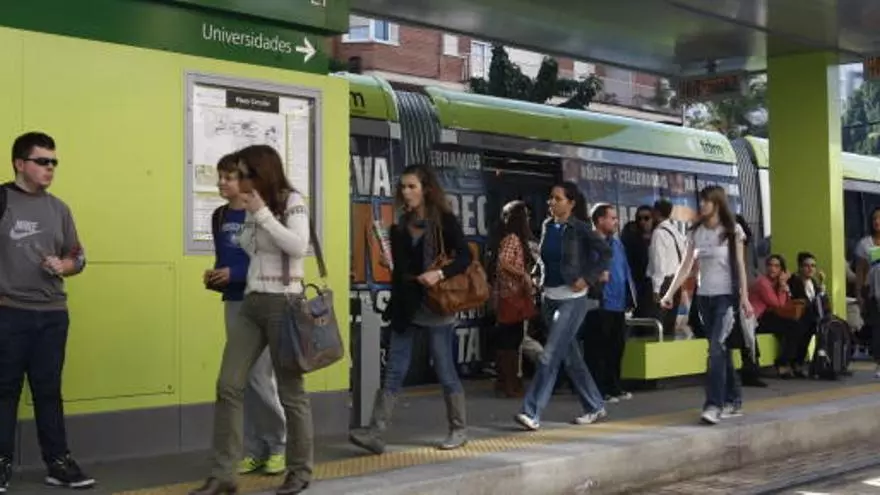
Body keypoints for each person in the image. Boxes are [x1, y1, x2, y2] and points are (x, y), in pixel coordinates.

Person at [191, 145, 313, 495]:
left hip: (284, 301)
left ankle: (299, 471)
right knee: (228, 384)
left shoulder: (292, 201)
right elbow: (250, 247)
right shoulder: (249, 205)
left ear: (262, 173)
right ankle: (223, 475)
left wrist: (261, 214)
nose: (239, 181)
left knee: (291, 391)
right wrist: (249, 220)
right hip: (251, 300)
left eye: (244, 174)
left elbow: (298, 245)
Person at [350, 164, 472, 455]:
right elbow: (402, 271)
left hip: (436, 305)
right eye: (403, 187)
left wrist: (439, 274)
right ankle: (376, 433)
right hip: (407, 306)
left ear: (426, 189)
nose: (406, 192)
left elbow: (465, 256)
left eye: (412, 186)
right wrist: (393, 266)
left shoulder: (444, 221)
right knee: (394, 370)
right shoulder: (400, 224)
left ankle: (459, 429)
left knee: (444, 368)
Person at [0, 132, 93, 492]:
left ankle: (58, 463)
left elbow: (79, 257)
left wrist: (64, 265)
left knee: (48, 391)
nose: (50, 168)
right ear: (19, 164)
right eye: (42, 161)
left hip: (52, 315)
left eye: (54, 162)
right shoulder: (3, 200)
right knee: (4, 390)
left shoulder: (59, 209)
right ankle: (2, 463)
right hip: (9, 313)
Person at [204, 153, 286, 476]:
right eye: (220, 177)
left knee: (259, 377)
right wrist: (216, 276)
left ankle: (278, 445)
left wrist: (234, 273)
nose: (222, 183)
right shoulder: (219, 216)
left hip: (261, 300)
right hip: (234, 302)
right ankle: (255, 449)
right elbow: (224, 258)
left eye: (229, 177)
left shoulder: (260, 212)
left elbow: (267, 258)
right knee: (238, 381)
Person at [515, 182, 611, 431]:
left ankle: (531, 411)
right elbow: (546, 260)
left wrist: (587, 278)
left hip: (573, 299)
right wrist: (536, 276)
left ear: (571, 203)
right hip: (549, 297)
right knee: (570, 357)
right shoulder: (548, 226)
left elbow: (605, 253)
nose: (552, 202)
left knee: (549, 355)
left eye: (557, 199)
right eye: (551, 198)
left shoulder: (580, 228)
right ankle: (594, 405)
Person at [661, 185, 752, 425]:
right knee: (720, 350)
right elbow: (686, 266)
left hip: (726, 298)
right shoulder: (696, 232)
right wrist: (669, 293)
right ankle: (733, 399)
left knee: (716, 348)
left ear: (717, 203)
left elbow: (740, 266)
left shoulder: (732, 230)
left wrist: (744, 298)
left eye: (706, 201)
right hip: (704, 299)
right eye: (700, 201)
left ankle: (714, 405)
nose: (701, 205)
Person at [585, 203, 635, 403]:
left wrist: (630, 296)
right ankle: (598, 389)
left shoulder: (617, 243)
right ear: (600, 220)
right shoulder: (590, 243)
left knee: (616, 347)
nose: (616, 222)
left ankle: (614, 386)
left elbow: (625, 270)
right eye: (612, 218)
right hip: (600, 302)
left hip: (618, 302)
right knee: (598, 349)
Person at [488, 201, 535, 398]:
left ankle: (506, 381)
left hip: (509, 294)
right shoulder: (513, 239)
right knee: (510, 340)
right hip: (510, 294)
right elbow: (503, 263)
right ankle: (509, 382)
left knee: (510, 339)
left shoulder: (509, 238)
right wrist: (523, 275)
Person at [748, 255, 805, 378]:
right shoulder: (763, 283)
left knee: (797, 325)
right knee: (793, 326)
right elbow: (777, 304)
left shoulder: (775, 283)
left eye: (776, 266)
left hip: (768, 316)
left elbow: (784, 303)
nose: (772, 268)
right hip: (756, 319)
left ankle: (789, 362)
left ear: (781, 270)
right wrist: (783, 285)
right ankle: (783, 364)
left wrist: (783, 286)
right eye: (770, 265)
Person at [647, 199, 685, 336]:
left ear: (657, 212)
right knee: (669, 324)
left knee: (657, 325)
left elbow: (659, 264)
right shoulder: (675, 231)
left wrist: (656, 290)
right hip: (676, 283)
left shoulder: (658, 233)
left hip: (663, 283)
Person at [855, 207, 880, 378]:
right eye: (874, 219)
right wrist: (859, 295)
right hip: (874, 294)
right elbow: (860, 272)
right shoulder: (865, 244)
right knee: (878, 329)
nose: (877, 222)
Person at [622, 205, 654, 318]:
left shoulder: (659, 234)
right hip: (637, 283)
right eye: (639, 218)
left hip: (654, 283)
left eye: (646, 218)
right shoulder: (631, 233)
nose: (642, 222)